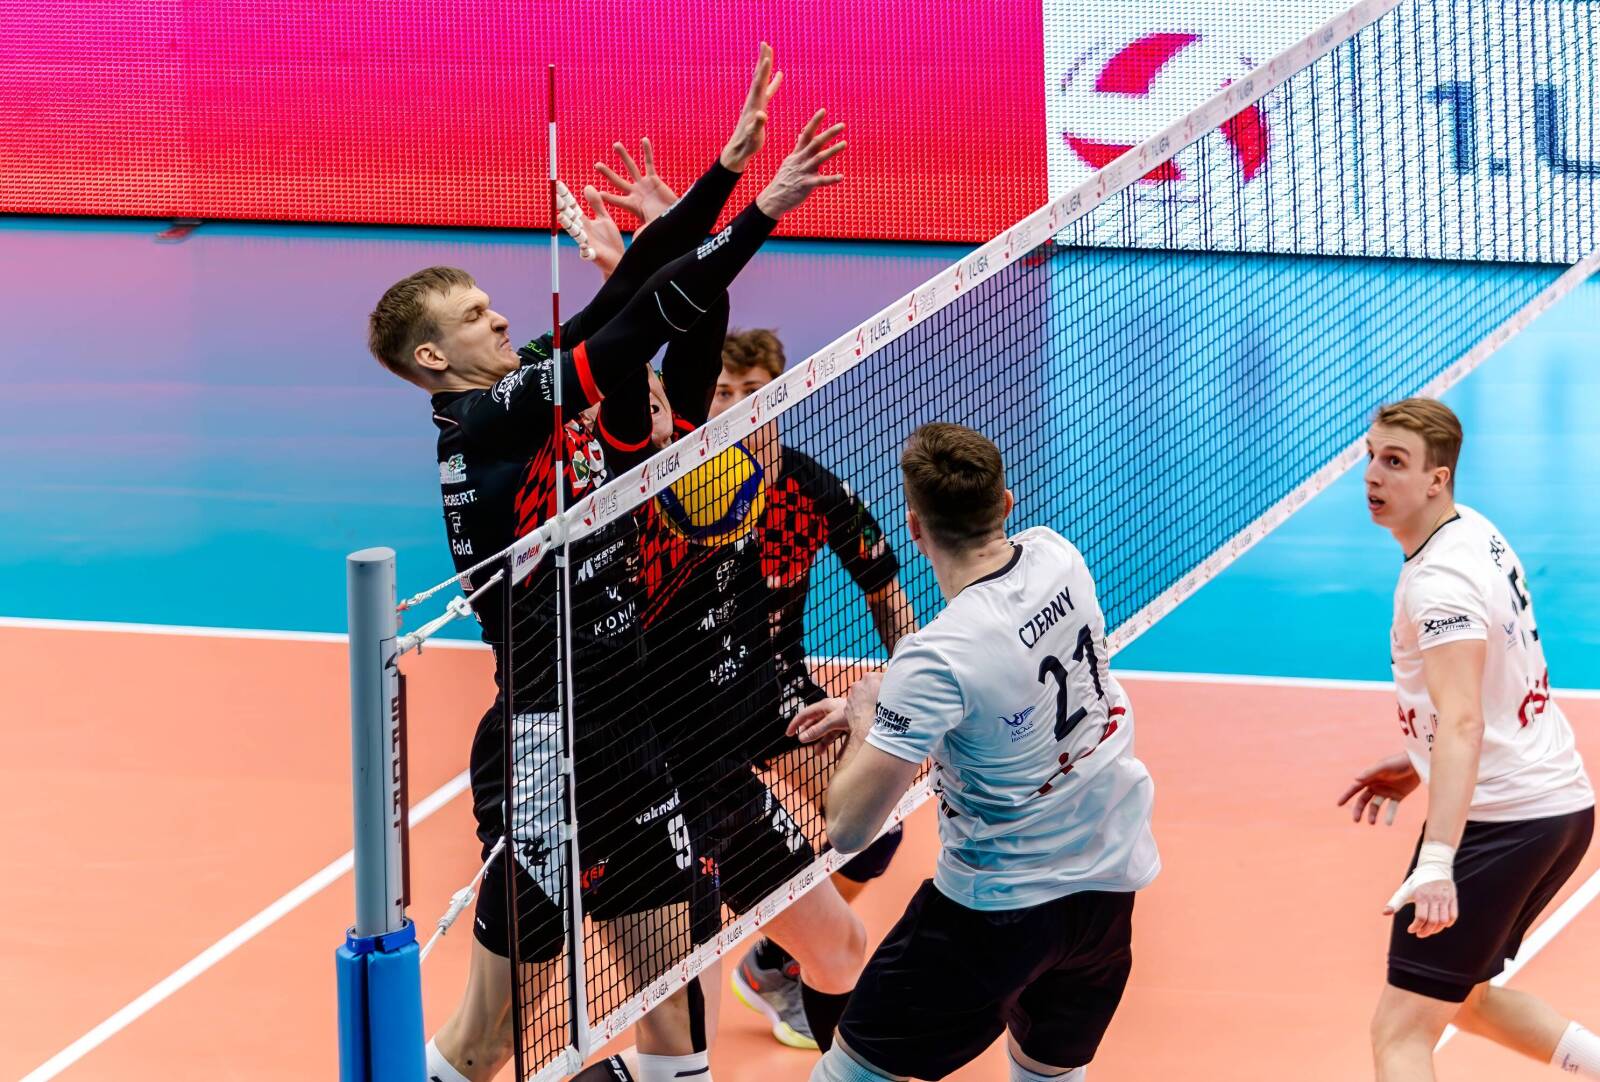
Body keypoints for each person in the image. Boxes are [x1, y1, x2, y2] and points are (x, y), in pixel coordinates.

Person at [365, 44, 848, 1082]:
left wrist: (725, 173)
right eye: (474, 316)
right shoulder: (485, 422)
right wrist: (760, 215)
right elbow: (637, 325)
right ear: (433, 358)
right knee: (499, 1030)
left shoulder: (522, 384)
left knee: (669, 993)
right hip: (549, 741)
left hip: (625, 725)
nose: (502, 316)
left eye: (491, 304)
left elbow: (635, 278)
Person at [570, 171, 869, 1060]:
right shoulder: (633, 489)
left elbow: (699, 319)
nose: (670, 400)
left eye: (670, 393)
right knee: (674, 1022)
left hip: (718, 761)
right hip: (644, 783)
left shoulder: (706, 458)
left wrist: (647, 248)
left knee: (840, 948)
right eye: (648, 396)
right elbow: (647, 355)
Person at [790, 422, 1160, 1079]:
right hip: (1106, 890)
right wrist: (900, 712)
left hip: (994, 912)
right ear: (1007, 504)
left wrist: (870, 714)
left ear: (914, 528)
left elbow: (847, 828)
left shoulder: (935, 658)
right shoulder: (1058, 557)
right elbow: (1004, 688)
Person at [1340, 397, 1597, 1081]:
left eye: (1395, 462)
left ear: (1437, 479)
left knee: (1400, 1032)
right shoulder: (1473, 530)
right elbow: (1487, 690)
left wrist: (1438, 860)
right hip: (1556, 806)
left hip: (1501, 822)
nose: (1373, 475)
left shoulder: (1439, 584)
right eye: (1371, 456)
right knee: (1466, 999)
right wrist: (1421, 761)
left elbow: (1462, 721)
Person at [706, 330, 917, 1049]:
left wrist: (916, 687)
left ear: (781, 394)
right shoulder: (670, 490)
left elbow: (886, 594)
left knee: (877, 821)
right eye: (723, 392)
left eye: (754, 391)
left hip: (776, 690)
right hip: (689, 709)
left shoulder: (811, 487)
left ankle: (775, 962)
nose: (739, 405)